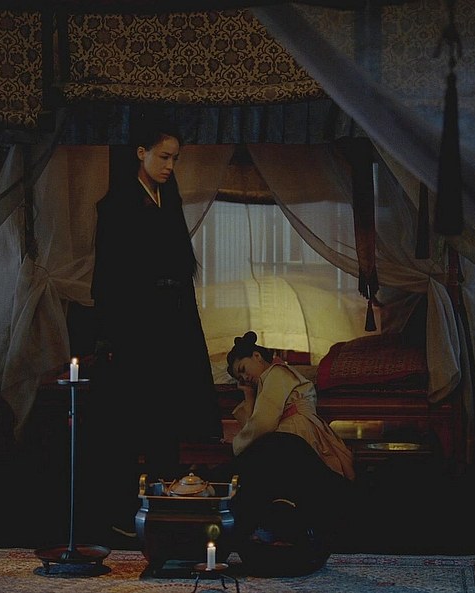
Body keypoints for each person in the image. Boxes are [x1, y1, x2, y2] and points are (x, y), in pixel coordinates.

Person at [86, 114, 222, 539]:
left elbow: (180, 270)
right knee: (130, 423)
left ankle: (163, 514)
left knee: (167, 419)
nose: (169, 165)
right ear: (141, 153)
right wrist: (110, 334)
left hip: (170, 324)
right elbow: (107, 276)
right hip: (134, 326)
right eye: (163, 156)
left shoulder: (167, 199)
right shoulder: (117, 205)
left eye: (175, 158)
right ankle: (123, 514)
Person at [213, 331, 357, 575]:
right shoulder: (266, 382)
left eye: (243, 369)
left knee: (272, 468)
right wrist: (248, 393)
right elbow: (256, 423)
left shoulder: (277, 373)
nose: (244, 377)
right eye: (239, 377)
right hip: (286, 433)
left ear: (257, 356)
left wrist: (238, 446)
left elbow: (262, 423)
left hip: (297, 433)